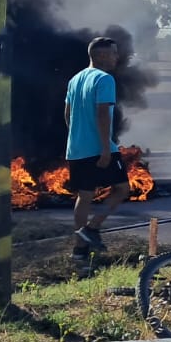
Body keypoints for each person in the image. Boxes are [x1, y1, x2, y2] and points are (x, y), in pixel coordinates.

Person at [66, 37, 129, 260]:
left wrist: (76, 136)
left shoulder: (75, 79)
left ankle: (79, 249)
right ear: (101, 55)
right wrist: (104, 148)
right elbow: (103, 113)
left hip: (76, 148)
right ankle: (92, 228)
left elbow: (68, 113)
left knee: (84, 196)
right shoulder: (105, 79)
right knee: (122, 189)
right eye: (113, 53)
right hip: (99, 147)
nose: (116, 57)